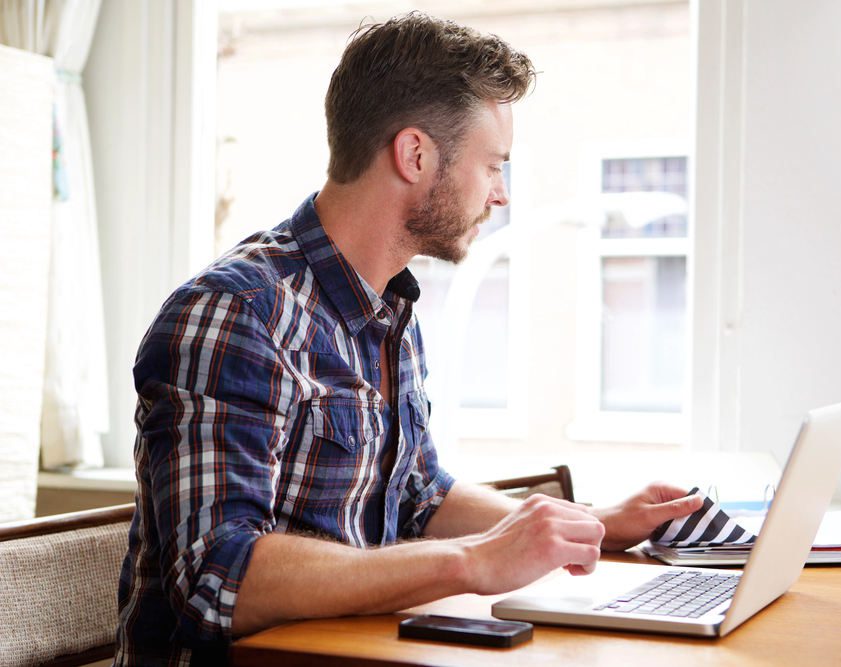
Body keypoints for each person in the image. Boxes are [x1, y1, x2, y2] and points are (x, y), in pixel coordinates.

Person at [114, 12, 702, 665]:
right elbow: (219, 580)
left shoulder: (389, 304)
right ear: (415, 154)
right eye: (493, 166)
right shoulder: (237, 314)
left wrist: (592, 521)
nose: (501, 194)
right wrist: (473, 562)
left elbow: (421, 495)